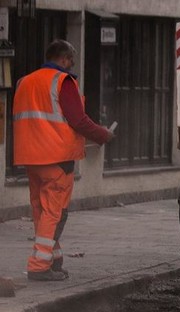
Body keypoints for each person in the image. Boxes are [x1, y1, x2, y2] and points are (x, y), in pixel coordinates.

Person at [12, 40, 114, 281]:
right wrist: (103, 134)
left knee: (41, 210)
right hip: (57, 157)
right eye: (72, 61)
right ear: (65, 58)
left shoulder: (25, 82)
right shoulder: (63, 81)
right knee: (54, 213)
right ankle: (39, 266)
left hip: (30, 156)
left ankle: (52, 258)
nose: (72, 66)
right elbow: (78, 120)